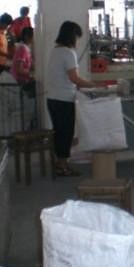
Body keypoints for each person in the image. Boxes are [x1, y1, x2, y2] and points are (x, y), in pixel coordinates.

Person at [46, 21, 100, 177]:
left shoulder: (55, 51)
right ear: (71, 36)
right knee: (66, 134)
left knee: (59, 132)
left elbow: (66, 77)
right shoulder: (68, 53)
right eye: (76, 36)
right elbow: (74, 78)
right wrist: (93, 85)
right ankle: (63, 167)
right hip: (63, 100)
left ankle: (59, 163)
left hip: (53, 99)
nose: (77, 40)